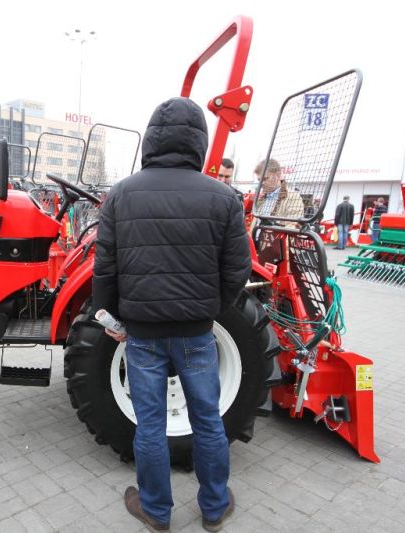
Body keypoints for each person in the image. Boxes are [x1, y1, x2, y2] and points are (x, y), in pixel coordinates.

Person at [93, 97, 251, 532]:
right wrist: (209, 311)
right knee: (207, 421)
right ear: (199, 141)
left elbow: (105, 268)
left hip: (142, 336)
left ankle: (156, 512)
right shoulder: (223, 198)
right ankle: (215, 507)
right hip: (198, 333)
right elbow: (237, 271)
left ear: (151, 139)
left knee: (150, 425)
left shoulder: (123, 194)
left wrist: (111, 320)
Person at [253, 159, 305, 226]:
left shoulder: (293, 197)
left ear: (278, 175)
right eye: (259, 180)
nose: (261, 183)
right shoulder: (261, 199)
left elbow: (294, 225)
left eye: (265, 179)